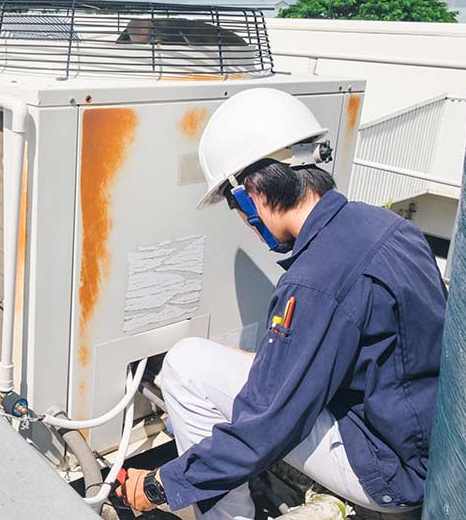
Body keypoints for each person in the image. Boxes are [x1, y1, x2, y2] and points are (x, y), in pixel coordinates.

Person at [116, 88, 446, 519]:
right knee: (207, 363)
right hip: (423, 443)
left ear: (251, 195)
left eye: (234, 207)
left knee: (183, 365)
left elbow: (268, 427)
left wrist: (162, 485)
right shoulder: (387, 227)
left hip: (387, 469)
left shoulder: (313, 280)